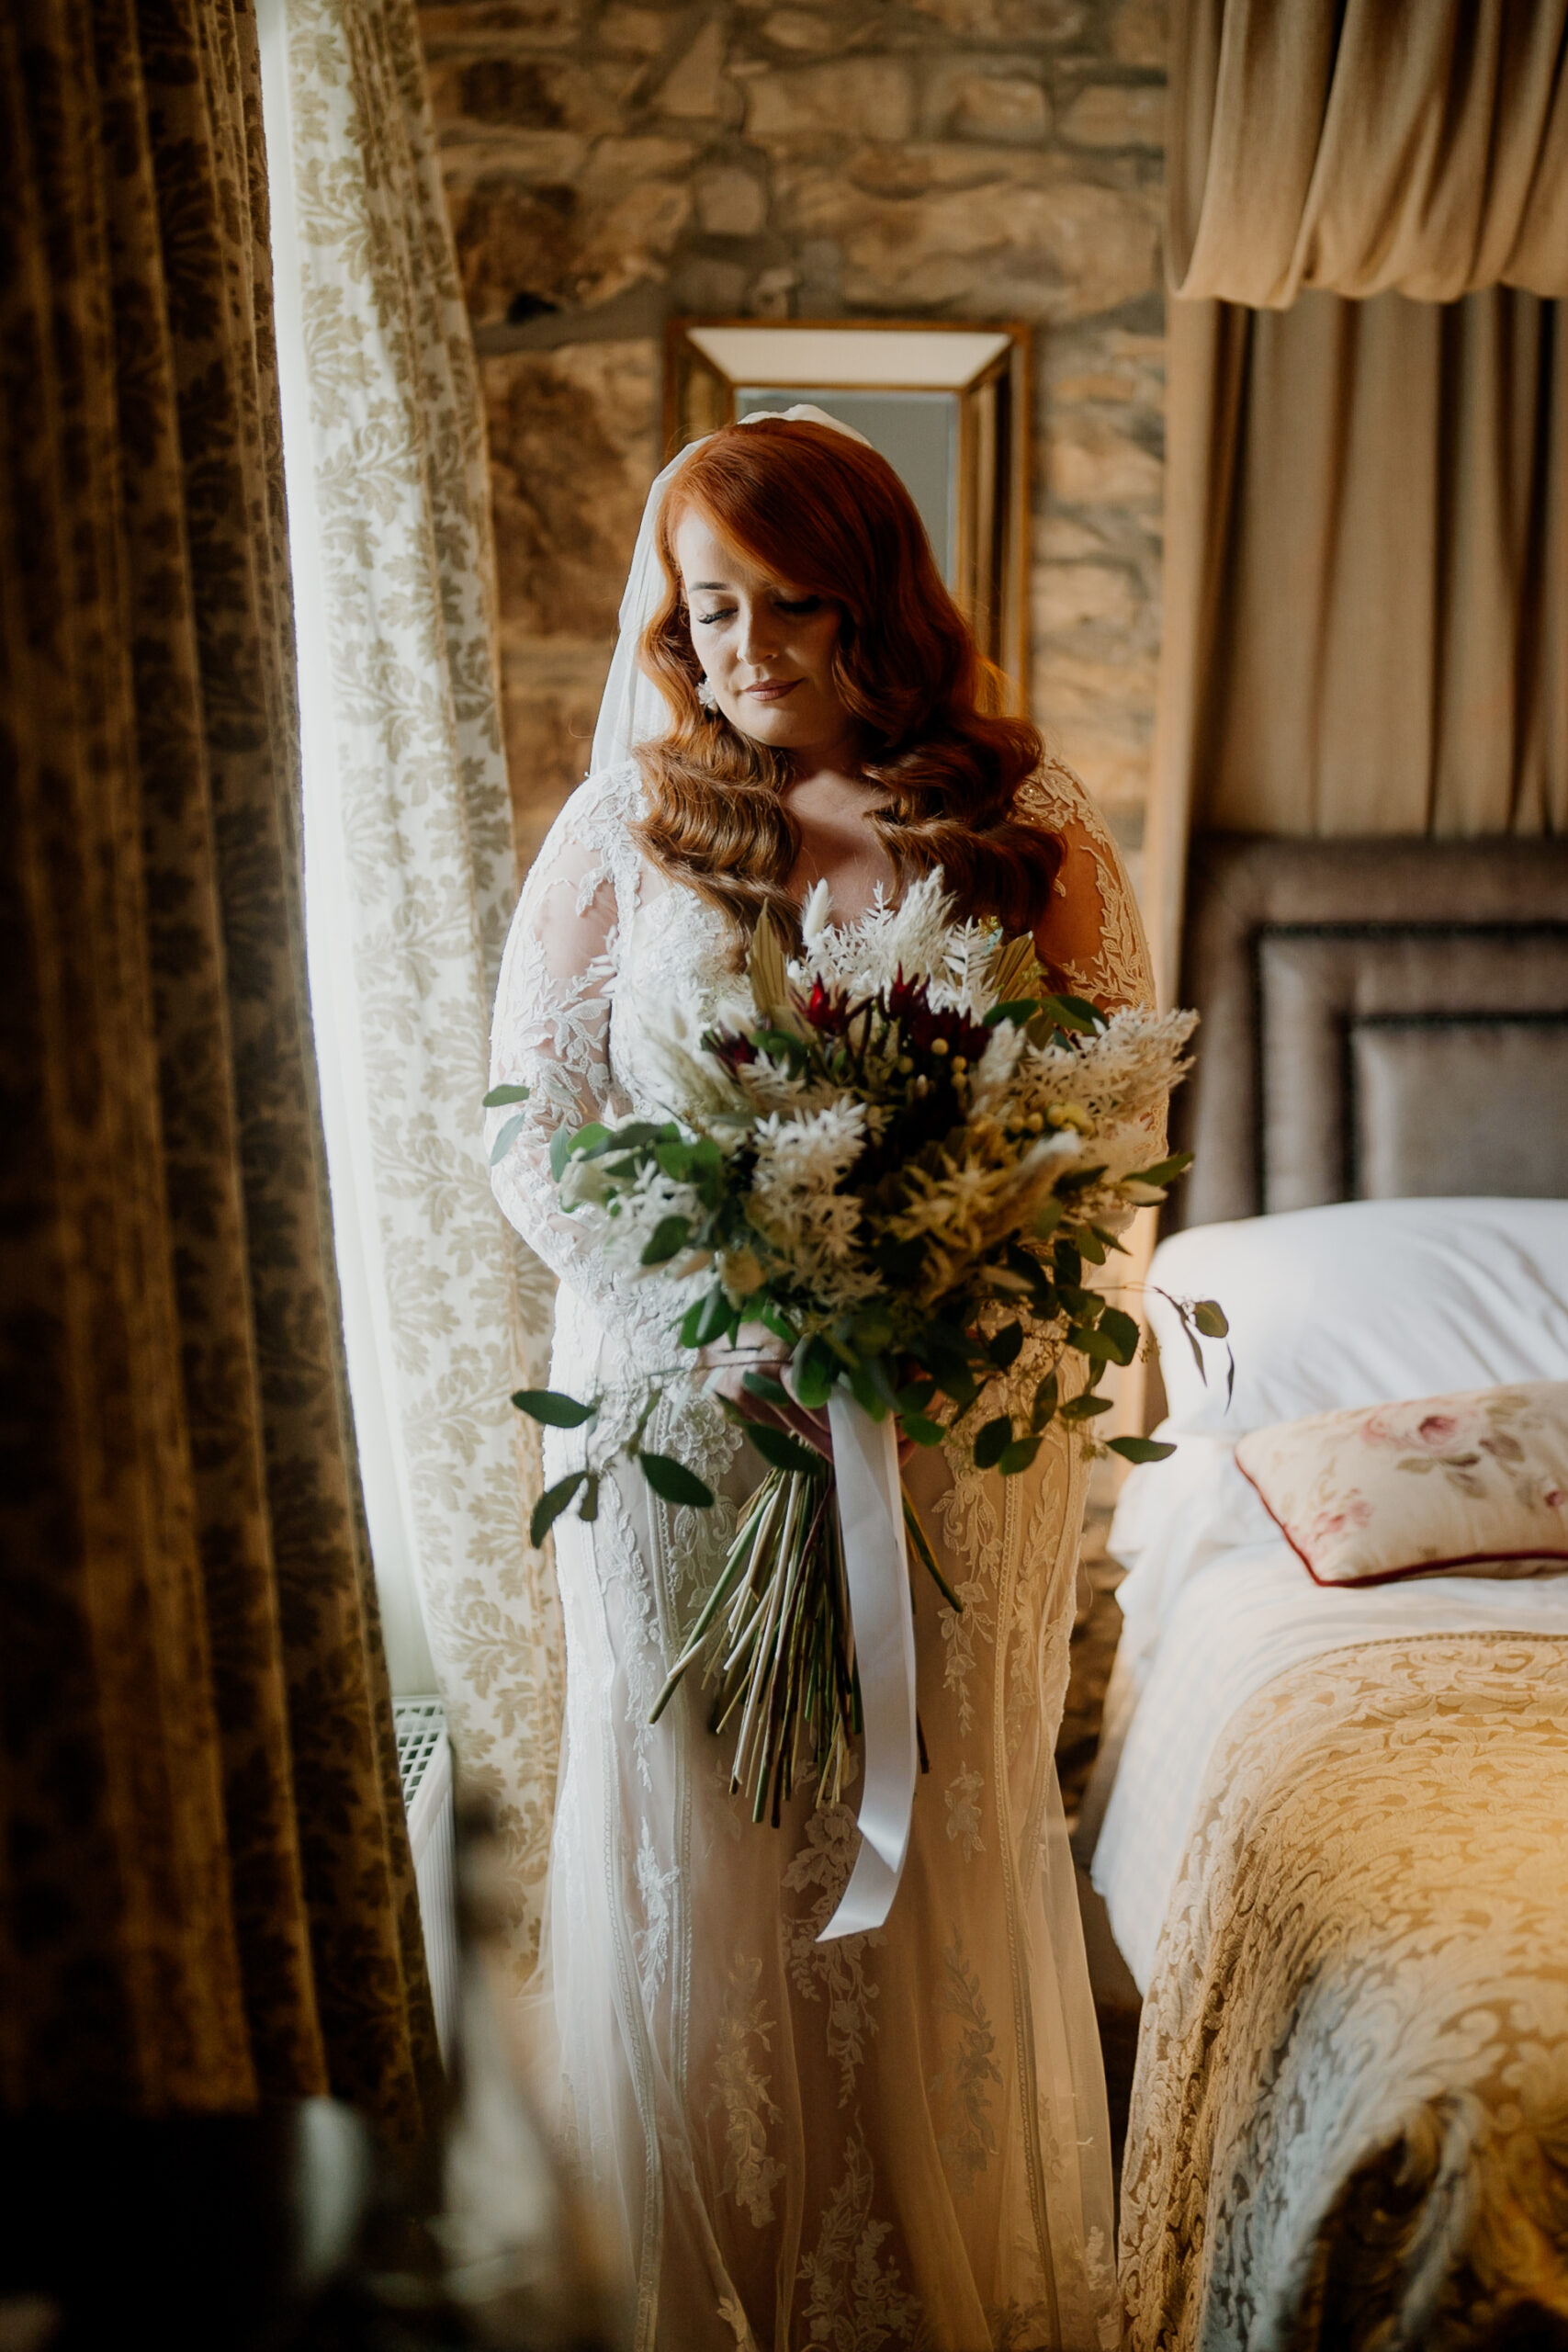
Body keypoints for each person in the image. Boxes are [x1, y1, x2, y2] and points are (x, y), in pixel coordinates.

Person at [487, 411, 1154, 2352]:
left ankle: (930, 2274)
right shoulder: (628, 824)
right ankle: (705, 2276)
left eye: (791, 602)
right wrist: (730, 1311)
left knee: (931, 1819)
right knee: (703, 1834)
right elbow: (534, 1135)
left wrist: (934, 1294)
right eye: (709, 612)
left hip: (941, 1434)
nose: (748, 647)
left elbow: (1095, 1130)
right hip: (685, 1428)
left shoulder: (1021, 823)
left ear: (879, 597)